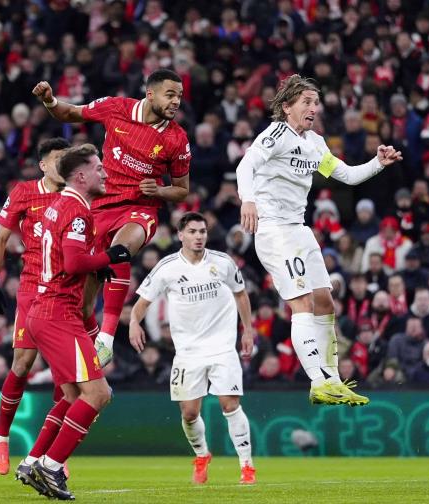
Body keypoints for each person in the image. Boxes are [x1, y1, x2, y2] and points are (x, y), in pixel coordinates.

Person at [236, 74, 401, 406]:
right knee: (303, 304)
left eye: (315, 102)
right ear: (287, 107)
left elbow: (348, 175)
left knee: (325, 301)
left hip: (299, 229)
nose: (314, 108)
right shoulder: (275, 135)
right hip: (274, 230)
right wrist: (248, 200)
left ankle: (332, 380)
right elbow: (245, 166)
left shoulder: (315, 143)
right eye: (306, 102)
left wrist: (377, 164)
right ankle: (318, 380)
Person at [32, 69, 191, 368]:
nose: (176, 102)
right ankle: (86, 353)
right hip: (100, 206)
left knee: (120, 250)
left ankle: (106, 339)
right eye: (170, 95)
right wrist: (51, 101)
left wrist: (158, 190)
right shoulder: (116, 108)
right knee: (82, 304)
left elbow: (182, 191)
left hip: (141, 209)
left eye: (179, 96)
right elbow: (70, 113)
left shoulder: (176, 139)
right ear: (150, 94)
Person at [15, 145, 128, 500]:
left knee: (70, 395)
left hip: (43, 310)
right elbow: (75, 263)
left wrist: (98, 262)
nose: (105, 174)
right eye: (98, 169)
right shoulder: (78, 211)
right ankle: (50, 466)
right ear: (80, 176)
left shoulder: (56, 206)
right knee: (99, 393)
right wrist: (110, 255)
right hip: (59, 314)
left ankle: (32, 461)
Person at [129, 212, 256, 485]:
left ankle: (247, 466)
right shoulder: (167, 267)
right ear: (181, 235)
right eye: (193, 232)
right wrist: (133, 323)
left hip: (222, 346)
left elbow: (241, 294)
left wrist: (247, 329)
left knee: (230, 404)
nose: (199, 237)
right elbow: (143, 300)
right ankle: (201, 455)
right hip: (187, 351)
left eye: (202, 232)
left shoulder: (222, 262)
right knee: (189, 412)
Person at [0, 138, 73, 475]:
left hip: (67, 289)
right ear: (43, 165)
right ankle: (2, 438)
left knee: (66, 375)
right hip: (33, 286)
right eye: (57, 159)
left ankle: (53, 455)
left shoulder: (76, 195)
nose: (63, 164)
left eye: (67, 158)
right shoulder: (24, 191)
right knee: (22, 363)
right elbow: (1, 239)